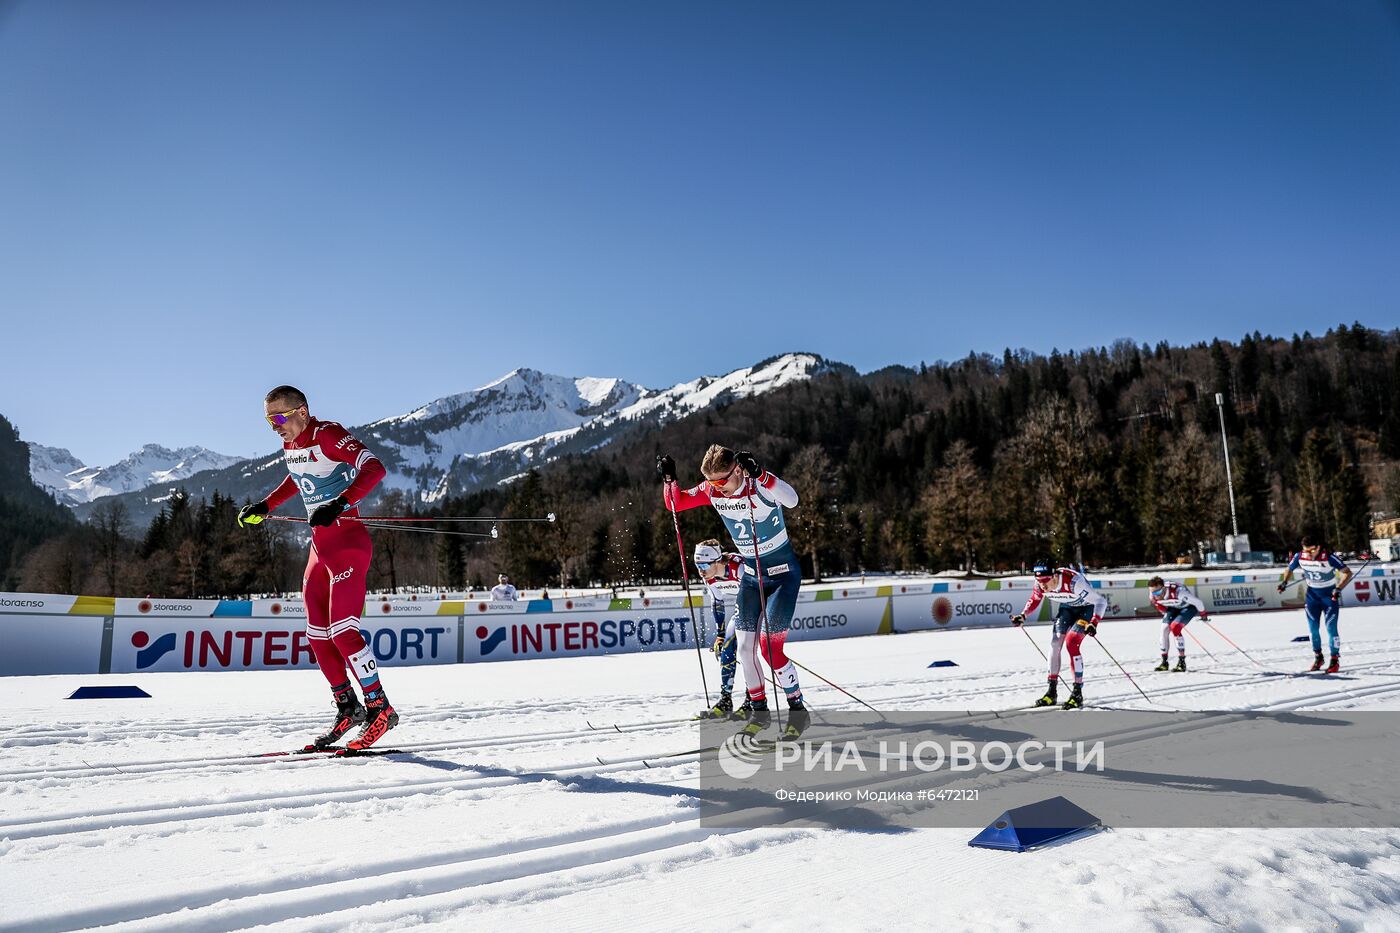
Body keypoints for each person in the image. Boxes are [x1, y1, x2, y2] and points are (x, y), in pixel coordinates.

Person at [236, 385, 397, 752]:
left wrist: (340, 503)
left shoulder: (328, 434)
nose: (274, 426)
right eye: (268, 420)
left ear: (302, 412)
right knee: (318, 636)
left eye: (279, 417)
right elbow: (298, 479)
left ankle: (380, 709)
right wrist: (265, 505)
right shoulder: (291, 445)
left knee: (343, 632)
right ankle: (348, 709)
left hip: (348, 544)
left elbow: (375, 469)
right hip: (319, 550)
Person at [658, 446, 809, 739]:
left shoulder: (758, 485)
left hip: (782, 577)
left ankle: (797, 710)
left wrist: (762, 474)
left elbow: (792, 499)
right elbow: (675, 504)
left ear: (738, 470)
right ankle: (760, 711)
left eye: (721, 481)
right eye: (711, 483)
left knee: (769, 649)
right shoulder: (713, 490)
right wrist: (669, 480)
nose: (716, 489)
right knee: (743, 648)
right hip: (752, 579)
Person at [1010, 558, 1107, 709]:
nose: (1042, 584)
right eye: (1038, 580)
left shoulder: (1074, 582)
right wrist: (1023, 615)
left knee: (1071, 642)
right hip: (1067, 608)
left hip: (1086, 609)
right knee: (1055, 644)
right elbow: (1035, 599)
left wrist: (1094, 623)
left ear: (1055, 576)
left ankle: (1077, 693)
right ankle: (1051, 692)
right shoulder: (1040, 584)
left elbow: (1101, 602)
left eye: (1046, 580)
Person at [1277, 535, 1353, 672]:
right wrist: (1284, 582)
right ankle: (1318, 657)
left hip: (1329, 598)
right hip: (1312, 597)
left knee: (1331, 629)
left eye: (1311, 551)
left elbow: (1347, 572)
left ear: (1318, 548)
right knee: (1313, 630)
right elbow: (1289, 569)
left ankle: (1334, 660)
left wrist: (1338, 588)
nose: (1308, 554)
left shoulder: (1328, 557)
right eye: (1306, 551)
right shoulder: (1300, 556)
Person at [691, 538, 748, 720]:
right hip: (743, 609)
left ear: (717, 561)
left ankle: (752, 700)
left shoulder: (738, 568)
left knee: (747, 651)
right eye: (697, 565)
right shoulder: (709, 576)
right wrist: (720, 635)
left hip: (760, 605)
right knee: (727, 647)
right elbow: (717, 602)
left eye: (705, 564)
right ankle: (726, 700)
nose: (701, 570)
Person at [1147, 576, 1209, 672]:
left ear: (1163, 588)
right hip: (1173, 607)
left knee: (1175, 627)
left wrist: (1203, 615)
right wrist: (1165, 612)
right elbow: (1161, 608)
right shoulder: (1153, 595)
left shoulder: (1178, 592)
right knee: (1164, 629)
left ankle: (1182, 662)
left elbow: (1198, 602)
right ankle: (1164, 662)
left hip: (1188, 608)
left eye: (1158, 592)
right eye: (1153, 592)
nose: (1156, 595)